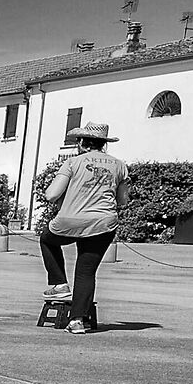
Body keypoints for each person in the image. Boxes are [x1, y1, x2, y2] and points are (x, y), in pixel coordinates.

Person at [39, 122, 128, 334]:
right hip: (103, 223)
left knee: (47, 239)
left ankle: (59, 284)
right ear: (103, 144)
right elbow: (123, 200)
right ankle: (77, 321)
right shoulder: (119, 165)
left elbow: (51, 195)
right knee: (86, 271)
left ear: (81, 142)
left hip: (71, 220)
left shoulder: (73, 163)